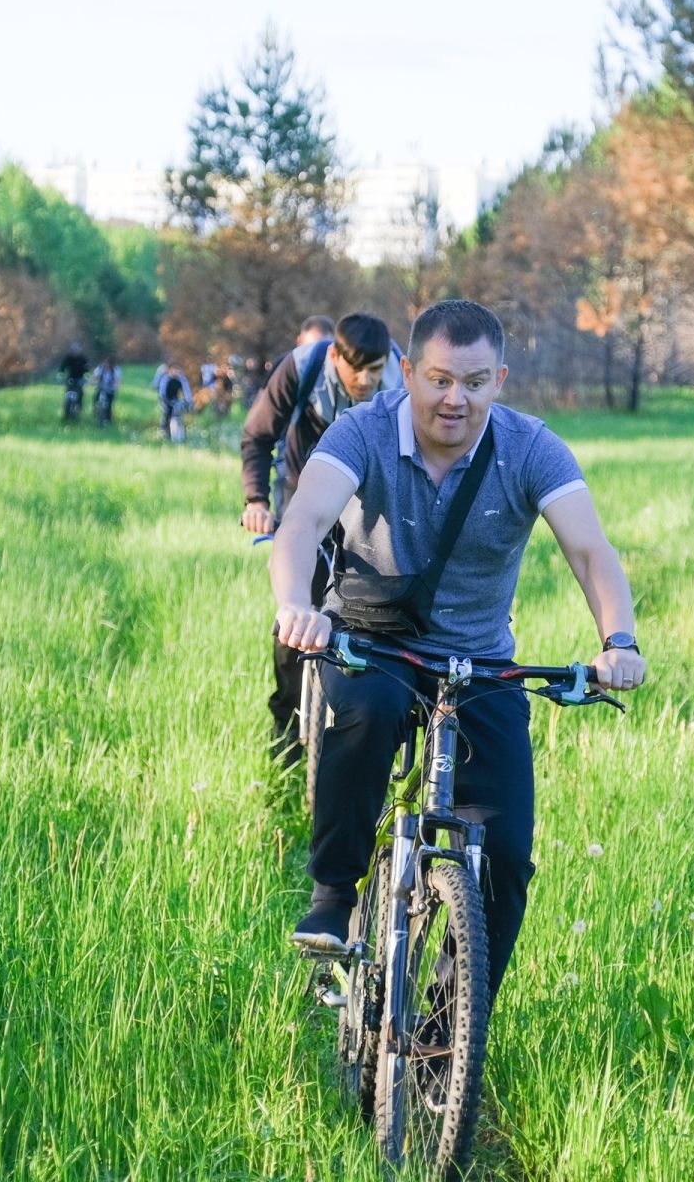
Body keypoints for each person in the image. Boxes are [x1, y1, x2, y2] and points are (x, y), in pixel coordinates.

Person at [270, 299, 646, 1001]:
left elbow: (592, 553)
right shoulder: (363, 431)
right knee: (368, 712)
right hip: (372, 642)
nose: (455, 399)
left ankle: (449, 1026)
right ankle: (333, 888)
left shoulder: (532, 447)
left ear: (498, 380)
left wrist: (617, 639)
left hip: (479, 662)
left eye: (474, 382)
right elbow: (302, 526)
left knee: (504, 856)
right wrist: (296, 604)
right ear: (408, 372)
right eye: (440, 379)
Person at [243, 313, 404, 766]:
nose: (367, 380)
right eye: (358, 370)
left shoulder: (404, 382)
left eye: (376, 370)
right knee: (297, 619)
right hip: (306, 505)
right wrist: (257, 500)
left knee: (381, 623)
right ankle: (288, 739)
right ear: (335, 356)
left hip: (370, 513)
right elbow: (258, 436)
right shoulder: (301, 368)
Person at [155, 362, 192, 442]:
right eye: (175, 370)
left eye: (178, 371)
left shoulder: (181, 379)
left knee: (178, 415)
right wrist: (165, 401)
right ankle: (164, 431)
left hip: (175, 399)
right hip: (165, 399)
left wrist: (188, 401)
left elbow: (186, 391)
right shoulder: (165, 378)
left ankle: (179, 435)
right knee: (166, 413)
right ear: (170, 370)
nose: (177, 373)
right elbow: (162, 391)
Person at [59, 342, 90, 421]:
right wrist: (61, 375)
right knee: (68, 395)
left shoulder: (83, 358)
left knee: (80, 395)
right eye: (74, 350)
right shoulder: (68, 358)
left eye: (77, 350)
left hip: (80, 379)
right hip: (71, 379)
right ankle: (66, 414)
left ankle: (78, 411)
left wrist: (86, 376)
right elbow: (62, 367)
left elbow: (87, 369)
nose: (75, 352)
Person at [92, 356, 121, 426]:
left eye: (108, 363)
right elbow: (94, 377)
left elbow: (117, 381)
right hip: (101, 388)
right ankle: (96, 415)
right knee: (95, 401)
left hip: (110, 390)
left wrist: (116, 386)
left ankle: (108, 419)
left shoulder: (116, 370)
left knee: (109, 404)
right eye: (105, 363)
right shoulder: (99, 369)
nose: (106, 364)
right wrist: (92, 382)